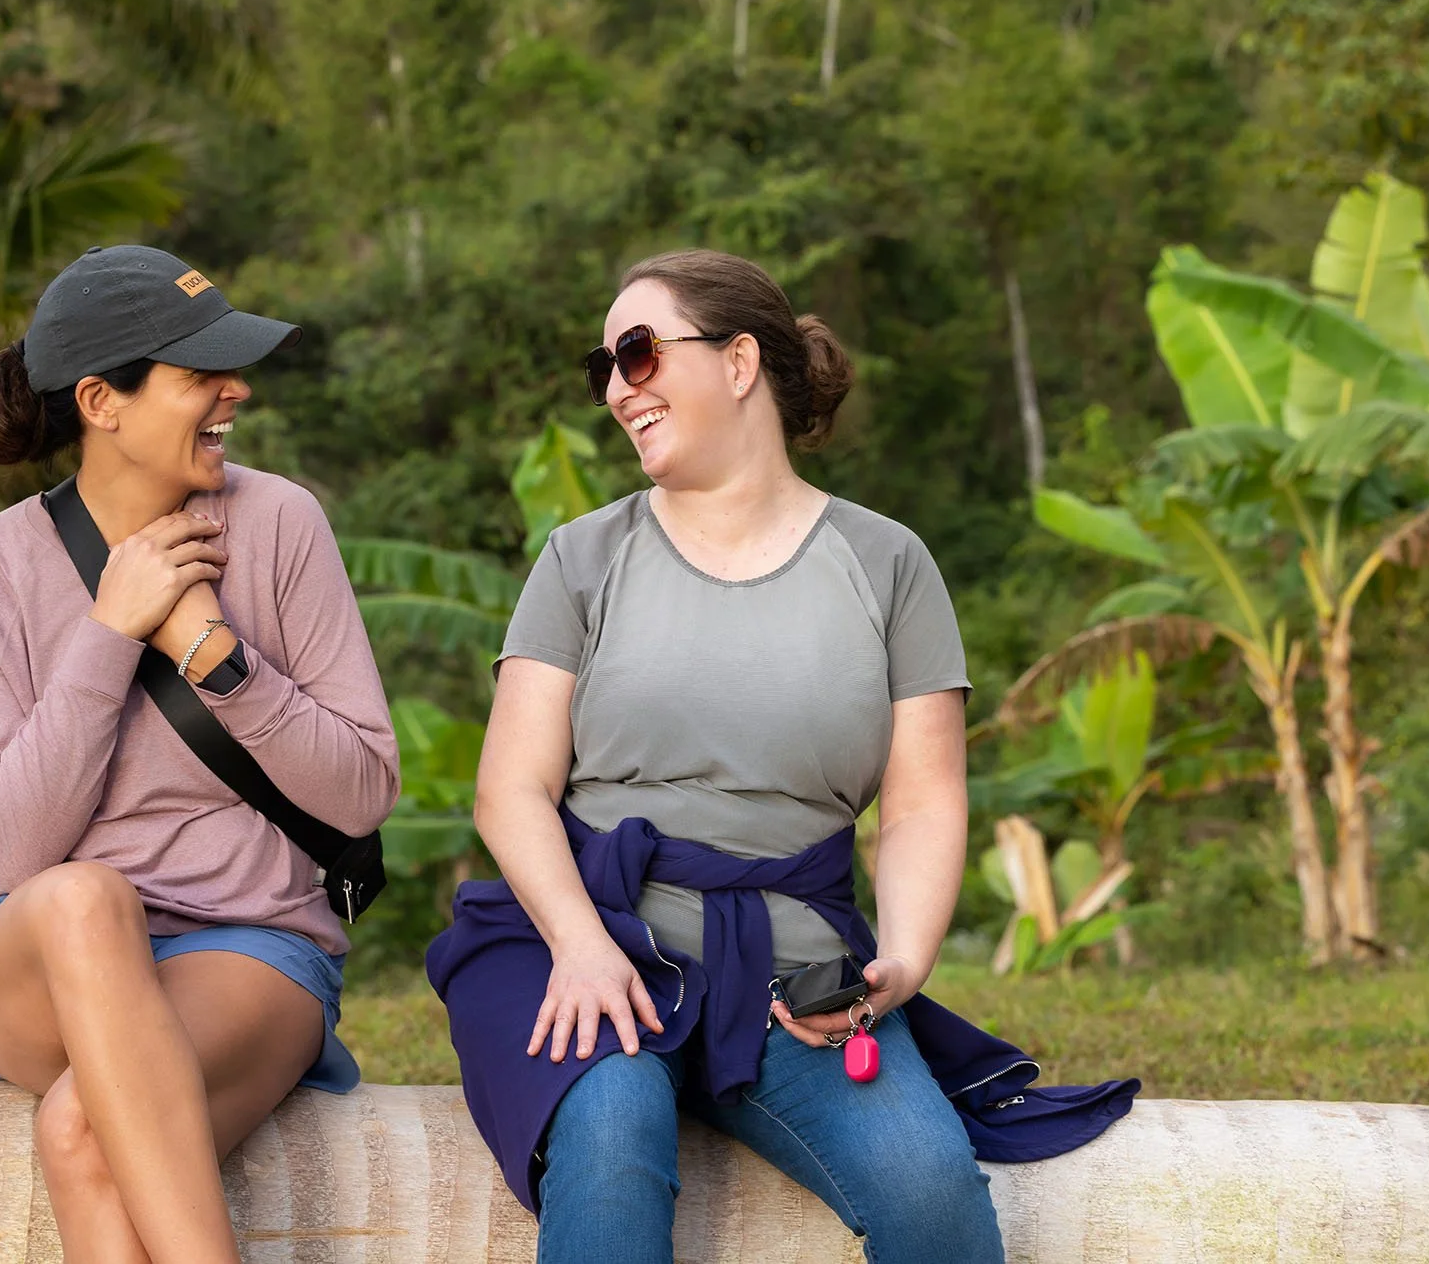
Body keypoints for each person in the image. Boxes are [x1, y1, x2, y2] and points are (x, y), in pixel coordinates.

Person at [427, 250, 1135, 1263]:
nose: (618, 387)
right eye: (603, 367)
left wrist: (905, 958)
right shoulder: (581, 557)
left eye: (637, 352)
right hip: (582, 940)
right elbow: (510, 788)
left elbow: (923, 802)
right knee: (611, 1126)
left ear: (738, 359)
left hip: (793, 977)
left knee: (928, 1189)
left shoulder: (887, 563)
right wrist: (581, 945)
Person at [0, 245, 398, 1264]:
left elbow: (359, 796)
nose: (236, 391)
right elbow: (15, 851)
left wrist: (212, 654)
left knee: (80, 1133)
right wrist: (108, 633)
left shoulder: (277, 525)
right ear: (101, 401)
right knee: (87, 896)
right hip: (45, 960)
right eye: (199, 373)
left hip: (250, 945)